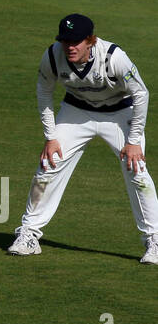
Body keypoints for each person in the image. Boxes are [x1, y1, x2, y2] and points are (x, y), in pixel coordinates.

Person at [8, 14, 158, 264]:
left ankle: (154, 240)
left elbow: (141, 94)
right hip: (77, 111)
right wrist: (51, 136)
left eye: (76, 42)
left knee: (137, 171)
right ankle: (28, 235)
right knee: (48, 165)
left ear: (90, 40)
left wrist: (133, 141)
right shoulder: (53, 56)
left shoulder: (113, 57)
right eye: (65, 41)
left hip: (119, 112)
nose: (70, 47)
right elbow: (44, 92)